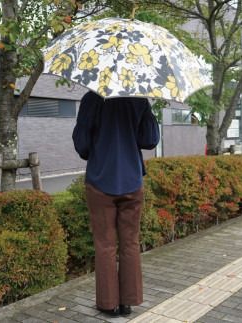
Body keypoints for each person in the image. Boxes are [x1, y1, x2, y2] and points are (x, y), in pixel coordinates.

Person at [72, 91, 160, 317]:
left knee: (105, 245)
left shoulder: (92, 98)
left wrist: (99, 149)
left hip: (100, 180)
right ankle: (128, 303)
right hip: (131, 179)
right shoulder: (139, 99)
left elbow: (81, 145)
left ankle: (108, 303)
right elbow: (150, 140)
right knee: (130, 243)